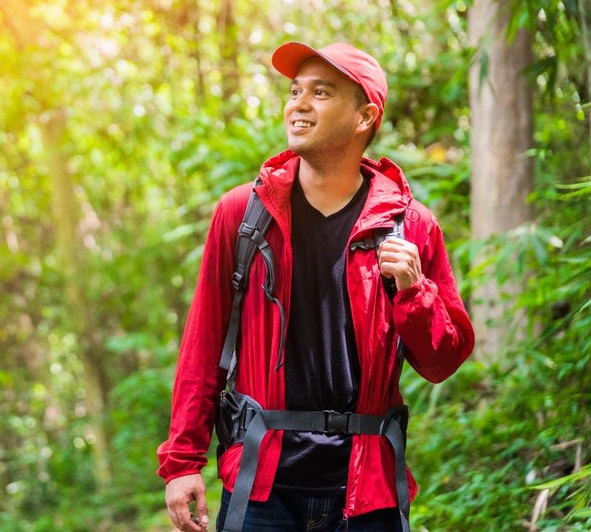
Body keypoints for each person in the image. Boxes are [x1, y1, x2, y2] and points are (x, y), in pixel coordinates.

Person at [157, 42, 475, 532]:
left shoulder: (410, 226)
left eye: (320, 92)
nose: (298, 104)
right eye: (294, 91)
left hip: (367, 489)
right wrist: (182, 463)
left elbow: (441, 361)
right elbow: (202, 347)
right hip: (262, 485)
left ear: (364, 116)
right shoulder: (243, 215)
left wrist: (415, 290)